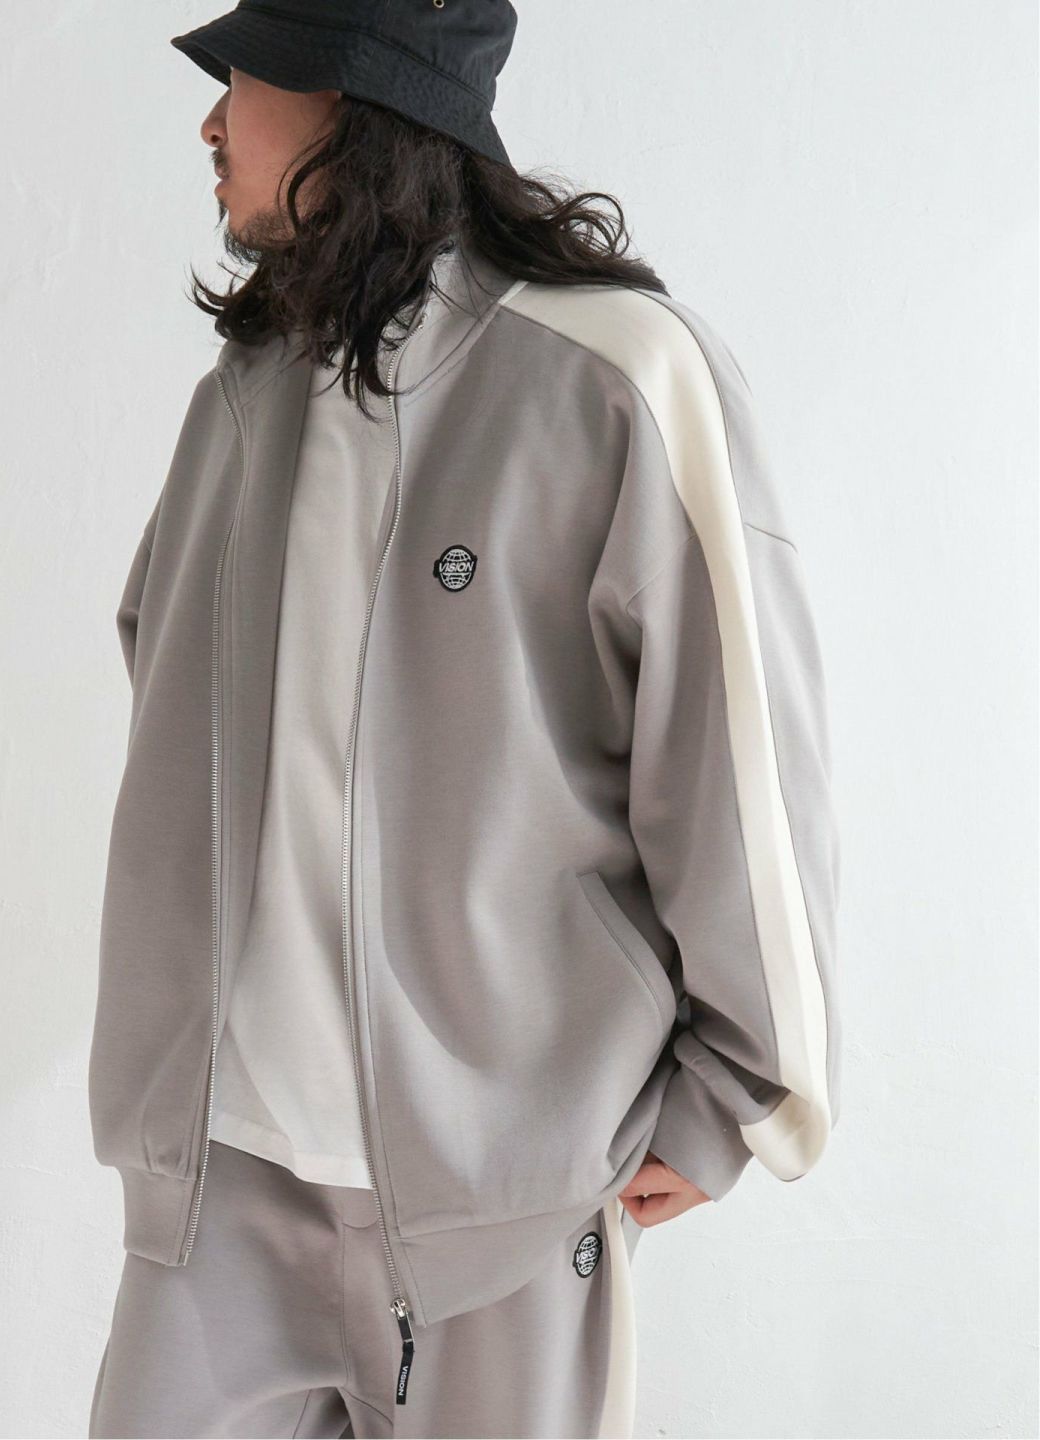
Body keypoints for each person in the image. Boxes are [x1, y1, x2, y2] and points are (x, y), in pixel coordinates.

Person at [86, 2, 843, 1436]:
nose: (211, 120)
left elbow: (736, 743)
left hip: (504, 1201)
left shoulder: (615, 372)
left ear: (355, 94)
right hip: (217, 1188)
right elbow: (164, 681)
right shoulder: (243, 394)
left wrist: (743, 1089)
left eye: (245, 77)